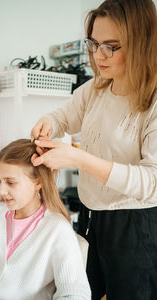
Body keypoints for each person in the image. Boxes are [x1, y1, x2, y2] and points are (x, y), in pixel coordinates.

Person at [30, 0, 157, 299]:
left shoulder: (152, 101)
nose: (99, 55)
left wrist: (77, 158)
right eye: (94, 43)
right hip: (91, 215)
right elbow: (64, 116)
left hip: (134, 226)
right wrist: (47, 122)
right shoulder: (96, 87)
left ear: (142, 43)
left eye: (112, 46)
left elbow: (152, 183)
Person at [0, 139, 91, 300]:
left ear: (38, 182)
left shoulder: (58, 229)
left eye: (11, 183)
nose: (2, 190)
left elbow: (75, 294)